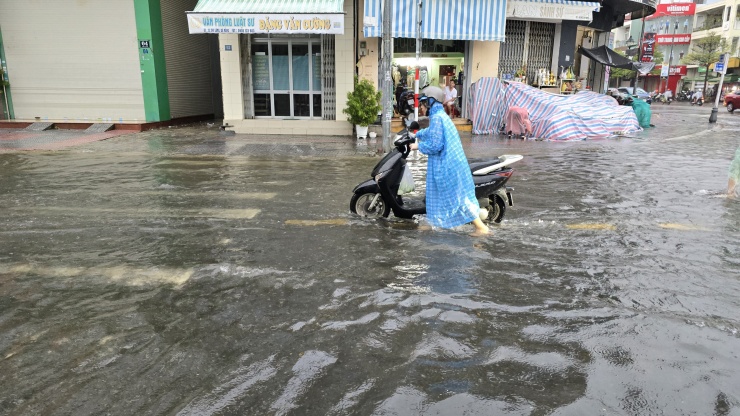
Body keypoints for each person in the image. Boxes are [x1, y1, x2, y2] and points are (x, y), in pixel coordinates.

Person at [409, 86, 489, 235]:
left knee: (456, 198)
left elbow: (435, 145)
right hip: (449, 163)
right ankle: (432, 222)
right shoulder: (439, 116)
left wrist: (417, 146)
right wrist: (417, 134)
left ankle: (481, 228)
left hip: (448, 165)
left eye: (423, 104)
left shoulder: (438, 118)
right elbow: (432, 133)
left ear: (430, 102)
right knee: (438, 196)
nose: (421, 107)